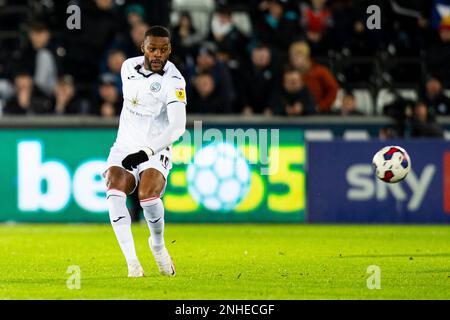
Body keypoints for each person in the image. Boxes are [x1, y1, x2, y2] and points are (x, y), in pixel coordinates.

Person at [103, 26, 186, 278]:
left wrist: (146, 151)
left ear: (170, 49)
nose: (158, 54)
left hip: (154, 149)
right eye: (152, 49)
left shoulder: (174, 81)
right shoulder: (127, 67)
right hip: (125, 145)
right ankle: (132, 264)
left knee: (148, 196)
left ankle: (158, 245)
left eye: (163, 49)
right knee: (114, 186)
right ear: (143, 49)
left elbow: (178, 126)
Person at [288, 41, 339, 113]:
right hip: (297, 115)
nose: (294, 60)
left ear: (306, 57)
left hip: (319, 115)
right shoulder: (289, 74)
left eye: (298, 56)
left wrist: (320, 106)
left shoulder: (321, 72)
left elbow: (333, 90)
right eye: (292, 57)